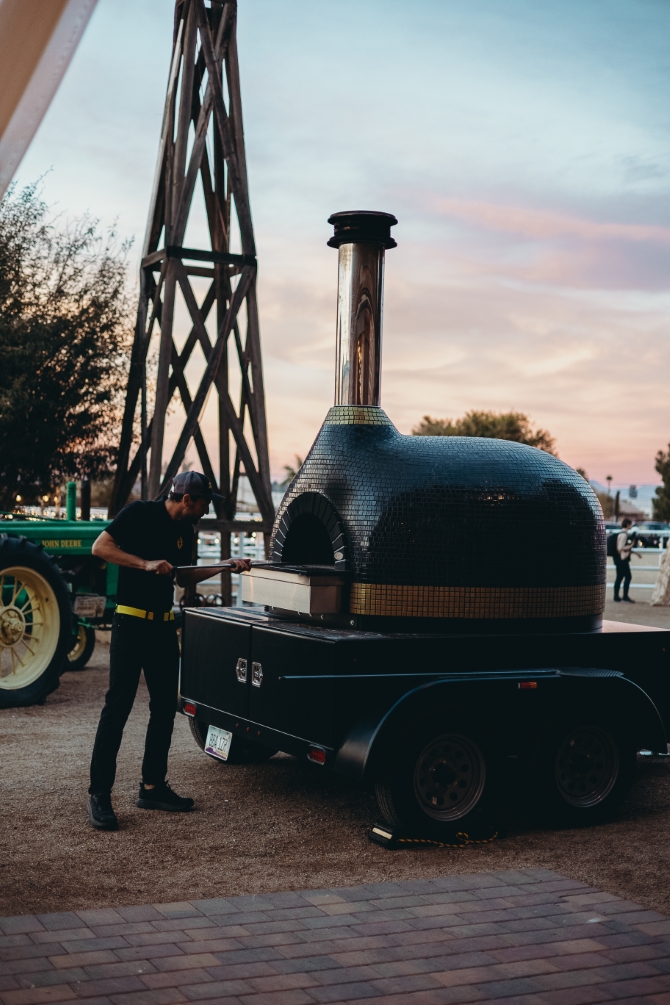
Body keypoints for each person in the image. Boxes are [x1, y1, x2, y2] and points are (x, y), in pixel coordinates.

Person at [87, 471, 251, 831]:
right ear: (188, 499)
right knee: (118, 707)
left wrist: (223, 566)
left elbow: (182, 576)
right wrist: (145, 563)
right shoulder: (138, 513)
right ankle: (99, 794)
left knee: (164, 707)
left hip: (163, 626)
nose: (208, 510)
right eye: (206, 502)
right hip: (130, 623)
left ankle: (153, 787)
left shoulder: (185, 531)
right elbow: (100, 547)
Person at [613, 517, 640, 603]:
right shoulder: (624, 535)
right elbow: (620, 548)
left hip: (618, 558)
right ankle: (625, 596)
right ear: (628, 524)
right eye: (630, 524)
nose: (631, 525)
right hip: (622, 559)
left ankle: (616, 596)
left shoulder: (621, 534)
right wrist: (631, 545)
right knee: (628, 576)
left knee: (619, 577)